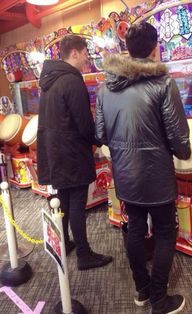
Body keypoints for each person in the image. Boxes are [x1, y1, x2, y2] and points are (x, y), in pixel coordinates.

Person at [95, 22, 191, 313]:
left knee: (134, 229)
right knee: (164, 231)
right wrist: (185, 152)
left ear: (126, 49)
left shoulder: (105, 88)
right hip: (156, 175)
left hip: (125, 174)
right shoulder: (162, 82)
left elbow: (100, 134)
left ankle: (142, 289)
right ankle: (159, 300)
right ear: (154, 48)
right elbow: (177, 136)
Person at [37, 35, 112, 270]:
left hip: (55, 152)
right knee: (77, 203)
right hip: (71, 152)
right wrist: (101, 140)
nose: (87, 60)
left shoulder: (49, 79)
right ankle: (84, 255)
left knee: (65, 202)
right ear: (75, 53)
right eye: (86, 54)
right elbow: (83, 122)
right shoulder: (71, 80)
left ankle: (64, 242)